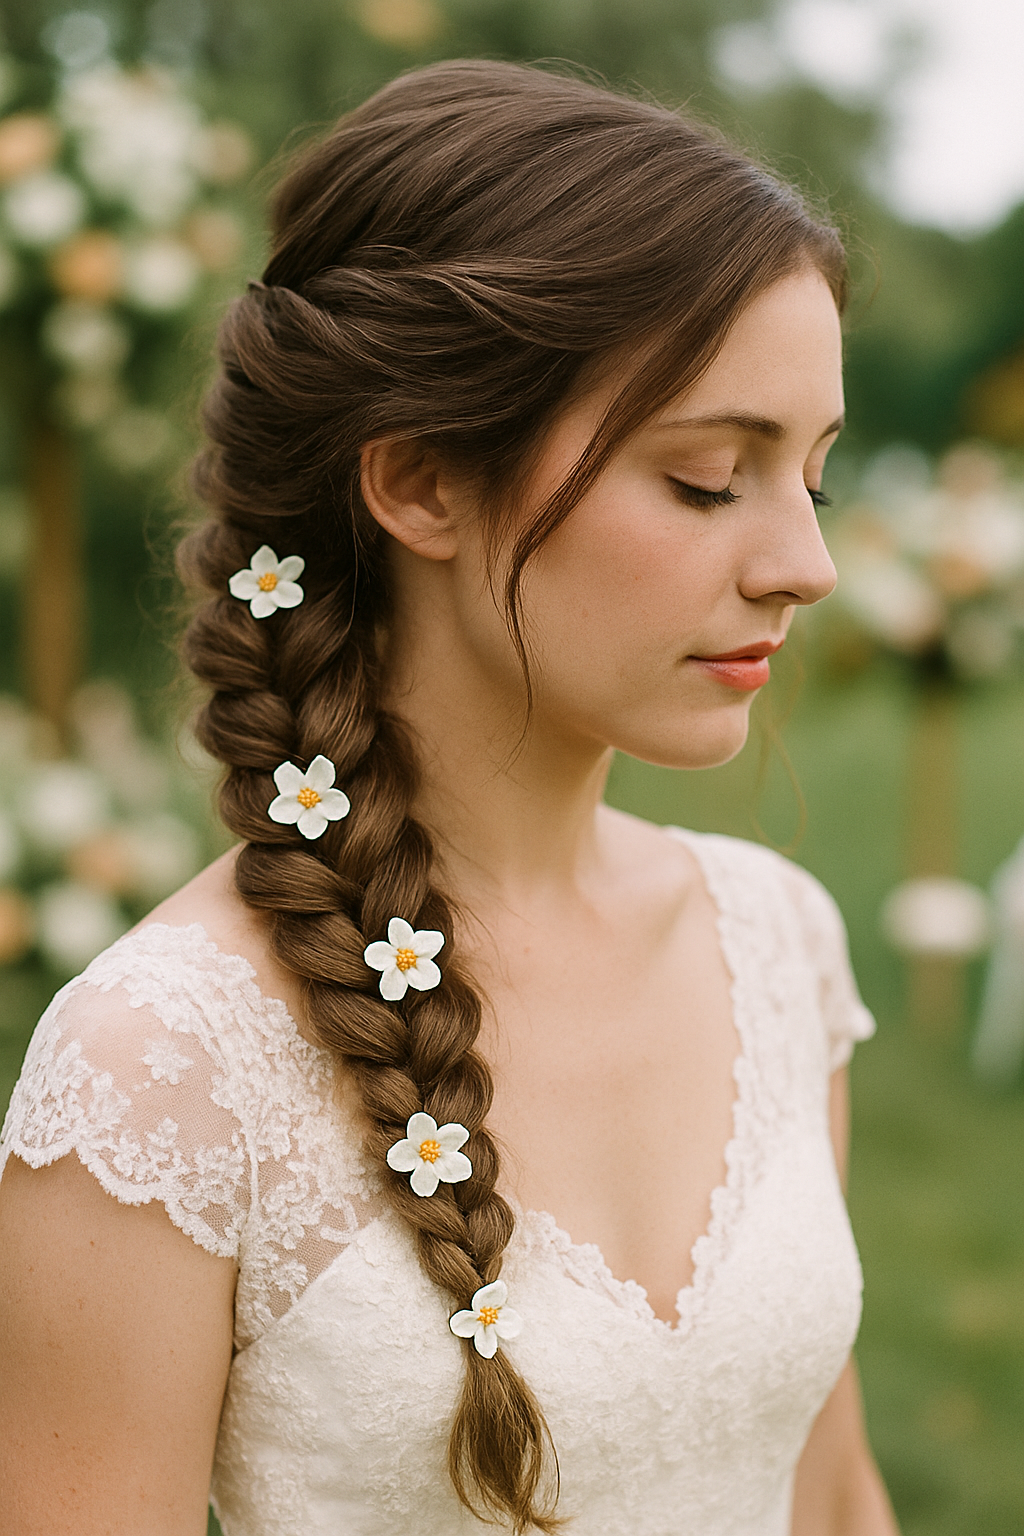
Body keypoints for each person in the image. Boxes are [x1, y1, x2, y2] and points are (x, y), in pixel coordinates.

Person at [0, 59, 900, 1536]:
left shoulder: (779, 944)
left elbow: (831, 1490)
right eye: (705, 479)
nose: (806, 562)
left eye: (816, 475)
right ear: (419, 482)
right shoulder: (156, 1072)